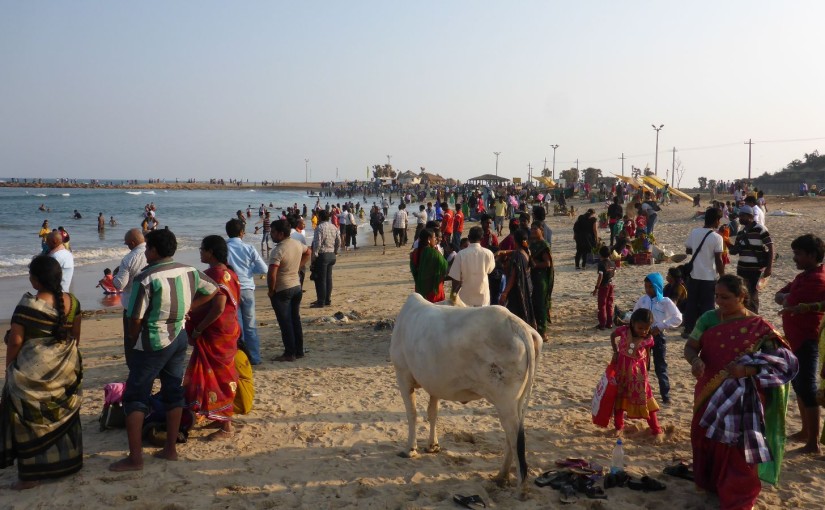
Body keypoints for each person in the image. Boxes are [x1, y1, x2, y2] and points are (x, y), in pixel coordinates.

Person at [684, 275, 798, 510]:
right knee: (704, 434)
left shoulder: (760, 327)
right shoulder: (708, 318)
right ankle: (712, 482)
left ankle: (737, 494)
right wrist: (695, 361)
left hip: (745, 396)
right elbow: (691, 346)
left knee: (738, 445)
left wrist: (746, 370)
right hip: (709, 387)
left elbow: (780, 362)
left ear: (742, 297)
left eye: (725, 297)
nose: (719, 302)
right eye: (716, 296)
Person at [110, 229, 219, 472]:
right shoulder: (188, 270)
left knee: (136, 396)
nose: (145, 252)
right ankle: (170, 449)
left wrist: (132, 337)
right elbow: (213, 290)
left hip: (152, 341)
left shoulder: (145, 279)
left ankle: (135, 458)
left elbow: (135, 318)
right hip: (178, 336)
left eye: (147, 248)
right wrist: (189, 307)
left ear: (154, 250)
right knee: (172, 391)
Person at [1, 256, 83, 489]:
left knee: (28, 418)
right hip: (66, 367)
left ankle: (30, 477)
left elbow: (15, 341)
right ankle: (69, 463)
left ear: (37, 280)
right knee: (64, 416)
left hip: (32, 370)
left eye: (31, 275)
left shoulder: (29, 305)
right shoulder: (73, 302)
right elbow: (75, 337)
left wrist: (10, 370)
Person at [183, 235, 240, 440]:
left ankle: (226, 426)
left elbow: (218, 307)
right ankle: (216, 416)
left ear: (211, 252)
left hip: (216, 335)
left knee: (219, 377)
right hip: (225, 331)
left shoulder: (217, 275)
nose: (200, 252)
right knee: (212, 375)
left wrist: (198, 329)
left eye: (202, 249)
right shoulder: (228, 273)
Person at [775, 234, 825, 454]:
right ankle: (806, 432)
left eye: (798, 254)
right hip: (796, 339)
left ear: (811, 255)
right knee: (799, 386)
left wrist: (787, 299)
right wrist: (786, 299)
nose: (794, 258)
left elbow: (788, 299)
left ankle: (812, 442)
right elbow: (782, 295)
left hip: (807, 338)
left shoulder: (816, 279)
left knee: (806, 388)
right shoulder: (805, 276)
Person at [609, 308, 662, 435]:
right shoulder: (624, 331)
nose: (643, 331)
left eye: (646, 328)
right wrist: (615, 352)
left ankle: (656, 428)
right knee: (620, 396)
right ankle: (618, 426)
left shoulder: (648, 339)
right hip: (621, 370)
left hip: (638, 373)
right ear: (632, 324)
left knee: (645, 396)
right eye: (640, 328)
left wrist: (647, 368)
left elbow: (648, 354)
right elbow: (612, 335)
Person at [633, 272, 682, 405]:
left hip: (658, 337)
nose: (648, 290)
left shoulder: (665, 302)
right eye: (646, 287)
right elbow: (634, 315)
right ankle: (643, 392)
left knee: (660, 367)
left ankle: (665, 395)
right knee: (643, 366)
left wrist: (661, 326)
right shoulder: (643, 300)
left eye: (651, 287)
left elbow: (678, 318)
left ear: (657, 286)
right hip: (643, 337)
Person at [225, 219, 268, 365]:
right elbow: (264, 269)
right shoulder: (249, 248)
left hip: (231, 289)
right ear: (242, 233)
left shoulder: (224, 248)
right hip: (247, 288)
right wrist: (249, 271)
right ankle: (255, 357)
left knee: (238, 326)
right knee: (250, 325)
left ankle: (240, 359)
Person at [268, 219, 311, 362]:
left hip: (283, 288)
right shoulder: (297, 243)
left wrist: (271, 290)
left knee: (285, 322)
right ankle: (298, 351)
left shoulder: (278, 250)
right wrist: (298, 267)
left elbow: (272, 274)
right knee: (295, 320)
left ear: (280, 233)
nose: (271, 234)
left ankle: (289, 353)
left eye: (273, 232)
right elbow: (308, 252)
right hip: (296, 286)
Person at [682, 207, 725, 338]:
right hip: (709, 276)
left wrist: (698, 251)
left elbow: (688, 250)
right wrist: (723, 276)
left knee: (692, 303)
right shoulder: (717, 237)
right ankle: (707, 330)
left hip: (694, 275)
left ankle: (688, 330)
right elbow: (718, 259)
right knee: (708, 305)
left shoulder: (695, 232)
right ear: (717, 220)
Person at [727, 205, 773, 313]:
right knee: (743, 295)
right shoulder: (741, 233)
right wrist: (725, 240)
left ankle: (753, 318)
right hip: (742, 269)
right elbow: (734, 251)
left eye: (742, 216)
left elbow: (771, 247)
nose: (740, 218)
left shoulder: (760, 229)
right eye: (740, 216)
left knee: (752, 296)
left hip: (755, 270)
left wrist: (769, 268)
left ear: (750, 216)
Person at [448, 226, 496, 306]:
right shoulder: (488, 253)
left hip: (466, 298)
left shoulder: (461, 254)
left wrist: (453, 294)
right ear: (482, 238)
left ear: (469, 237)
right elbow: (490, 270)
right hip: (483, 296)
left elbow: (456, 279)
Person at [498, 230, 535, 329]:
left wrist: (505, 292)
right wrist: (505, 252)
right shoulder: (526, 251)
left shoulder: (517, 256)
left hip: (518, 289)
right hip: (528, 285)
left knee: (516, 315)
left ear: (515, 240)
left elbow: (513, 276)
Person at [409, 229, 448, 303]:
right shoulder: (434, 253)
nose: (436, 239)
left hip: (420, 288)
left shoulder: (414, 252)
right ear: (429, 239)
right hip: (433, 289)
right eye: (434, 237)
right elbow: (444, 267)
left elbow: (414, 269)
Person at [311, 210, 340, 307]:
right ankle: (327, 299)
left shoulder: (319, 227)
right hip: (331, 254)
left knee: (321, 279)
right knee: (328, 278)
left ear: (319, 217)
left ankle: (321, 301)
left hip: (323, 255)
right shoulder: (333, 226)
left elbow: (317, 243)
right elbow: (338, 241)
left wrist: (314, 256)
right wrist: (335, 251)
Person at [529, 221, 554, 338]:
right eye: (531, 229)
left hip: (541, 278)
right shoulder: (532, 243)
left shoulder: (543, 245)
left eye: (535, 229)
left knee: (540, 304)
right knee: (534, 303)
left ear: (541, 230)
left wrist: (534, 264)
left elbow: (547, 263)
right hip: (533, 277)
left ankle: (543, 331)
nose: (533, 231)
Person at [592, 245, 615, 330]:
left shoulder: (601, 264)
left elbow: (600, 276)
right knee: (609, 304)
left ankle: (602, 324)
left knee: (602, 305)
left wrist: (596, 288)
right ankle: (609, 323)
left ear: (600, 254)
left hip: (604, 286)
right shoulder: (613, 263)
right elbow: (613, 274)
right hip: (611, 284)